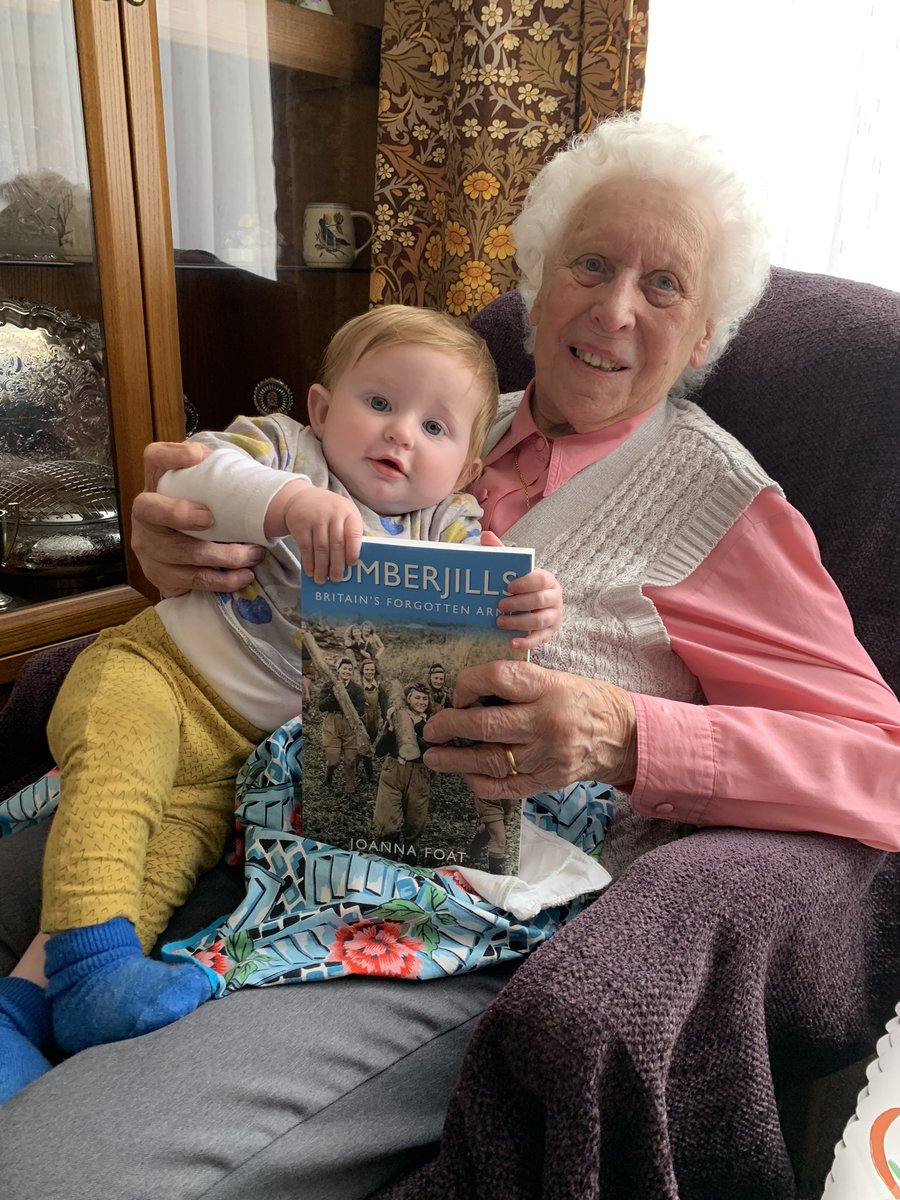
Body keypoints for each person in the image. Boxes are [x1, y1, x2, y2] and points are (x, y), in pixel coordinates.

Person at [2, 112, 899, 1200]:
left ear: (706, 337)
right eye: (592, 263)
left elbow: (879, 762)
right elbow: (235, 483)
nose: (616, 308)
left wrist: (626, 737)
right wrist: (176, 535)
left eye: (665, 288)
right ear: (533, 283)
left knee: (51, 1172)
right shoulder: (434, 418)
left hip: (428, 914)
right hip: (230, 800)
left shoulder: (725, 509)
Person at [0, 304, 562, 1108]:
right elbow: (192, 476)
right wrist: (289, 504)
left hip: (244, 758)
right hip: (158, 676)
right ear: (324, 409)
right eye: (379, 404)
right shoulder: (283, 450)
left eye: (435, 426)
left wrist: (527, 609)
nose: (401, 434)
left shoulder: (449, 527)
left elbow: (484, 612)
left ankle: (23, 1012)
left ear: (468, 469)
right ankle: (89, 972)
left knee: (151, 869)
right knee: (115, 803)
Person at [372, 680, 432, 857]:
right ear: (408, 698)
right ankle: (387, 862)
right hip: (394, 769)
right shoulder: (397, 717)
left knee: (415, 824)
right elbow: (380, 751)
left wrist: (415, 729)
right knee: (387, 823)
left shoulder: (431, 724)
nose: (421, 702)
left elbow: (431, 753)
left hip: (419, 774)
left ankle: (408, 866)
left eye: (424, 699)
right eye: (417, 698)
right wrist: (391, 728)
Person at [318, 657, 367, 795]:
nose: (347, 671)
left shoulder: (356, 689)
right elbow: (321, 707)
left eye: (350, 669)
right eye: (344, 668)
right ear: (338, 670)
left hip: (350, 724)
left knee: (351, 761)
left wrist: (348, 708)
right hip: (332, 723)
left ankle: (350, 790)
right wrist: (333, 695)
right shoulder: (329, 686)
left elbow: (361, 708)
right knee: (333, 762)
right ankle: (329, 777)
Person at [359, 657, 388, 782]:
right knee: (365, 745)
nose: (369, 672)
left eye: (372, 669)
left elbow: (383, 704)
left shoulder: (379, 686)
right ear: (362, 670)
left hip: (374, 720)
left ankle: (355, 764)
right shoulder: (358, 686)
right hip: (361, 719)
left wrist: (386, 718)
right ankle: (370, 774)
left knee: (369, 742)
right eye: (367, 670)